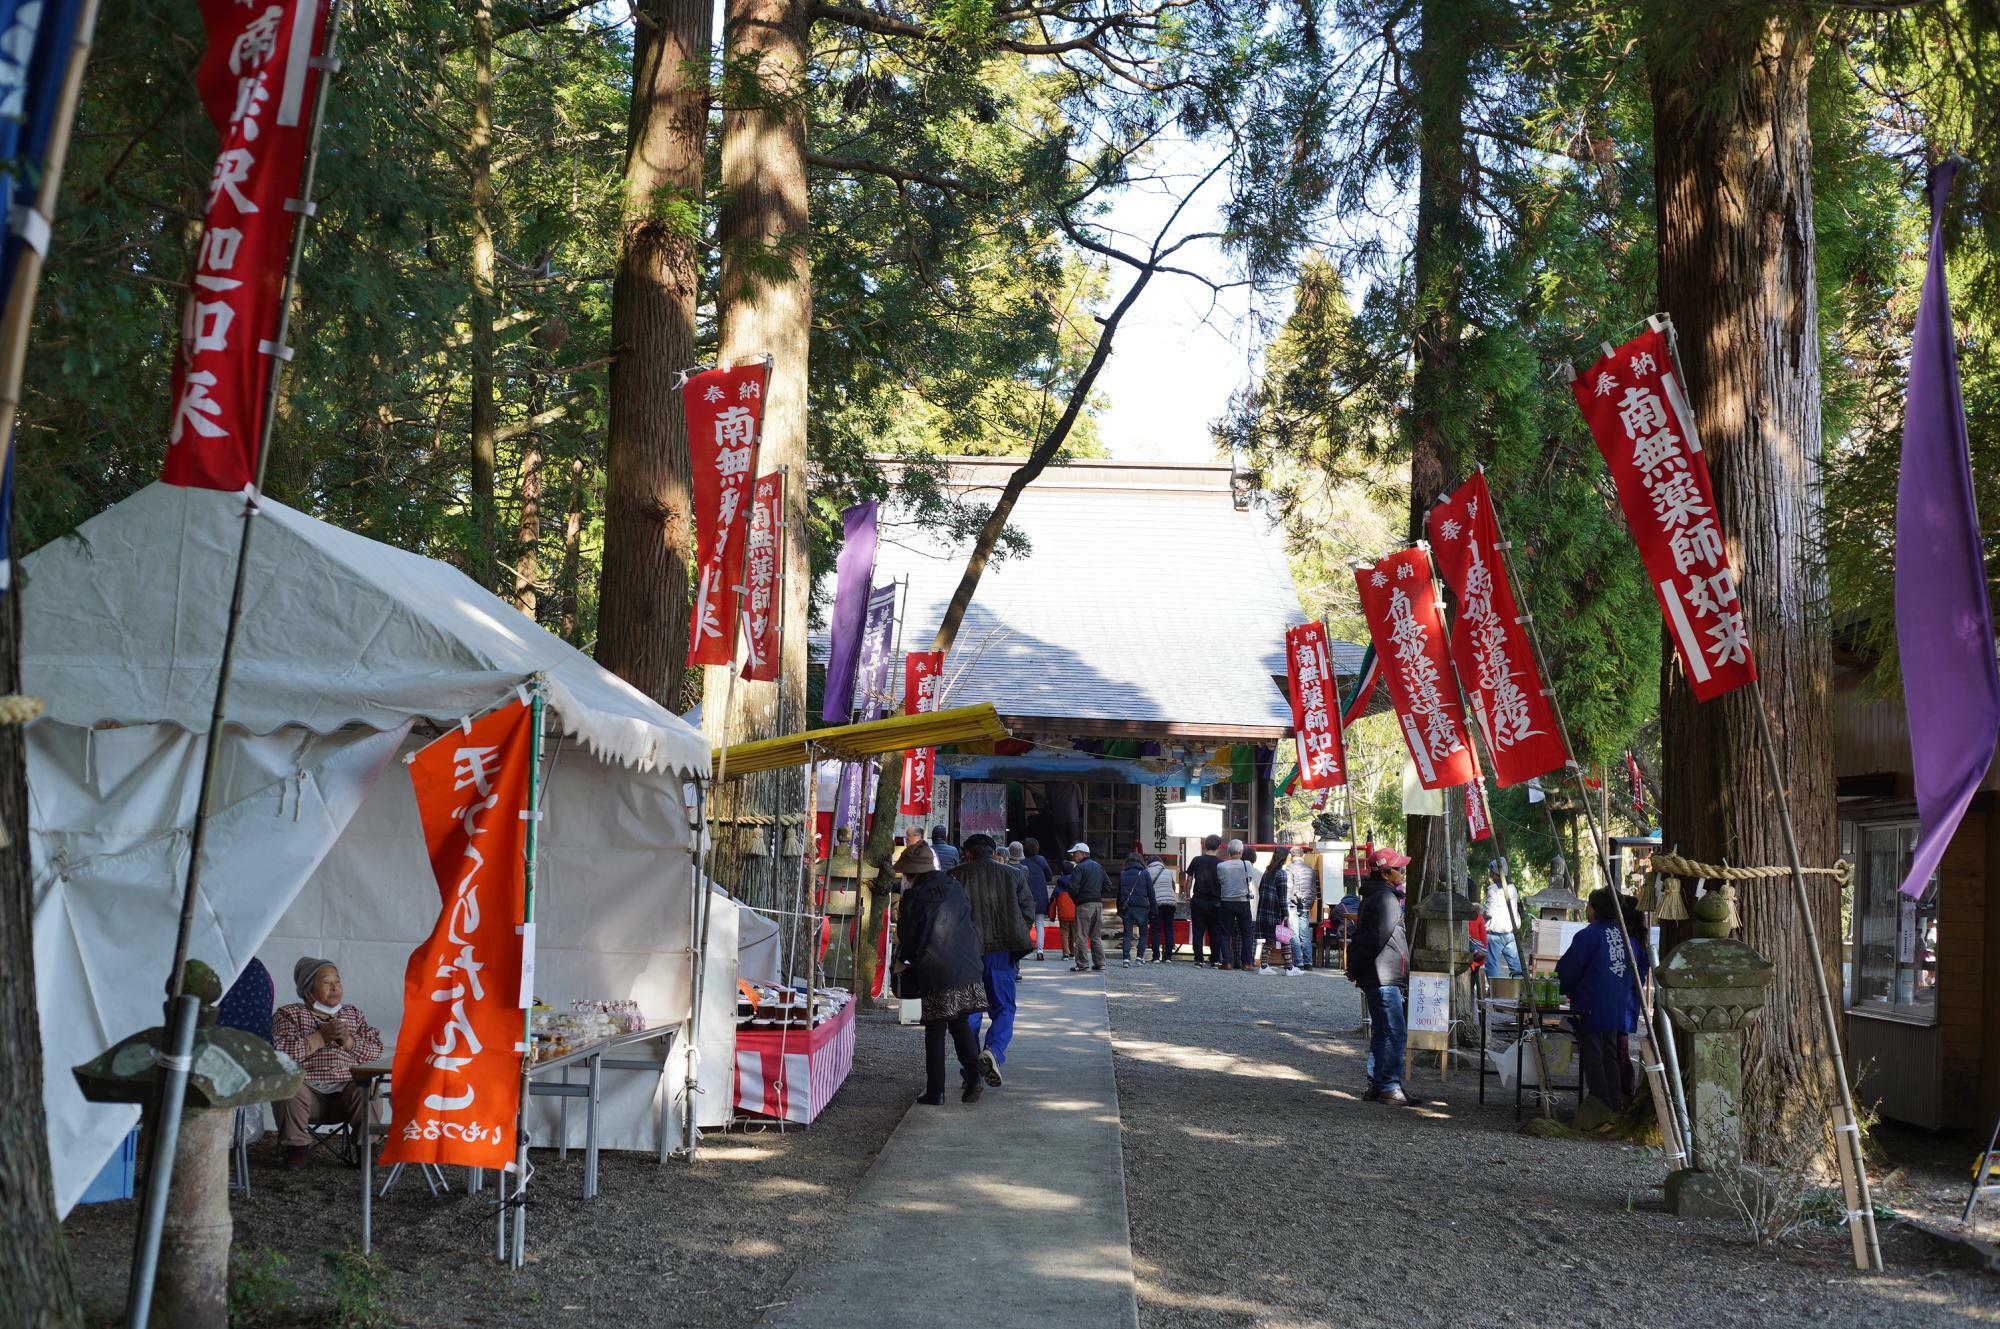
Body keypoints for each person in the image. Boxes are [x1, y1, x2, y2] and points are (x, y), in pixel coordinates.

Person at [894, 841, 989, 1104]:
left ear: (912, 873)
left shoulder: (914, 897)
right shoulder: (954, 886)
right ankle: (974, 1077)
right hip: (967, 965)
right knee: (959, 1023)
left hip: (936, 968)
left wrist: (905, 958)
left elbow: (908, 937)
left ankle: (936, 1090)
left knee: (934, 1029)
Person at [271, 958, 385, 1167]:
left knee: (367, 1089)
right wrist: (320, 1038)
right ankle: (296, 1149)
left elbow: (376, 1050)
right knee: (287, 1085)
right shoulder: (289, 1014)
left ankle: (367, 1148)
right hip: (307, 1093)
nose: (335, 986)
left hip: (345, 1093)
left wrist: (349, 1042)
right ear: (307, 990)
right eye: (326, 982)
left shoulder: (353, 1014)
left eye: (338, 981)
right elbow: (281, 1054)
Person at [1556, 887, 1651, 1112]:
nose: (1587, 910)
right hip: (1619, 1005)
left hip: (1591, 1003)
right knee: (1610, 1052)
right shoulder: (1629, 940)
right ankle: (1614, 1098)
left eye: (1589, 905)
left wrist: (1563, 985)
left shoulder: (1589, 935)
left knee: (1593, 1053)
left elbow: (1568, 970)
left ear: (1595, 910)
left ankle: (1598, 1102)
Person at [952, 834, 1036, 1087]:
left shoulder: (954, 876)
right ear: (993, 852)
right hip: (1001, 952)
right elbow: (1028, 910)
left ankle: (971, 1071)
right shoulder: (1014, 874)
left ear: (967, 852)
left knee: (969, 1013)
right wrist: (1016, 934)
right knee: (1004, 1008)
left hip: (966, 954)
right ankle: (994, 1051)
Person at [1347, 848, 1417, 1106]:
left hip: (1378, 975)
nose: (1403, 873)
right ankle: (1388, 1084)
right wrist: (1356, 967)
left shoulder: (1374, 896)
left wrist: (1355, 968)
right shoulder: (1386, 900)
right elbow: (1375, 940)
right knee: (1394, 1031)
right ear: (1387, 873)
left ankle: (1378, 1084)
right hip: (1383, 975)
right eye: (1401, 869)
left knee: (1382, 1031)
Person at [1213, 840, 1259, 972]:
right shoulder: (1247, 864)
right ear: (1241, 852)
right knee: (1247, 933)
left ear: (1228, 851)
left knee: (1225, 933)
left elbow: (1221, 881)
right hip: (1243, 901)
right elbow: (1249, 879)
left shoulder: (1221, 866)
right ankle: (1247, 963)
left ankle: (1227, 962)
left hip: (1226, 901)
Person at [1064, 842, 1109, 972]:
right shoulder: (1099, 867)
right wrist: (1096, 894)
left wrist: (1077, 899)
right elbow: (1108, 884)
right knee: (1096, 935)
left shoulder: (1079, 868)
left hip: (1084, 905)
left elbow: (1072, 888)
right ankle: (1100, 963)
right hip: (1098, 905)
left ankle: (1082, 963)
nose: (1073, 856)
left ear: (1083, 853)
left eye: (1075, 853)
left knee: (1082, 935)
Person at [1482, 858, 1526, 979]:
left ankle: (1494, 990)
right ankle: (1519, 988)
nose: (1490, 874)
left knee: (1491, 964)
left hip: (1495, 933)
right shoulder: (1512, 888)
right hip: (1510, 932)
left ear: (1495, 872)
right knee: (1515, 964)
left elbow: (1488, 911)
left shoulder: (1493, 890)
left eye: (1491, 872)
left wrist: (1480, 911)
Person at [1184, 835, 1223, 966]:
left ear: (1204, 845)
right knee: (1215, 931)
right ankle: (1215, 960)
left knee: (1198, 931)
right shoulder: (1221, 863)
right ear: (1219, 847)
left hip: (1199, 900)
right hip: (1216, 902)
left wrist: (1187, 894)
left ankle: (1198, 960)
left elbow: (1189, 879)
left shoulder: (1197, 860)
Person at [1283, 845, 1317, 974]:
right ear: (1303, 855)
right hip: (1306, 905)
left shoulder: (1289, 868)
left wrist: (1289, 901)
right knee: (1305, 934)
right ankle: (1308, 961)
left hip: (1293, 904)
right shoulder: (1310, 869)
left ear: (1291, 856)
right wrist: (1308, 902)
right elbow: (1313, 889)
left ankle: (1299, 961)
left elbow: (1289, 888)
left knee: (1294, 934)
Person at [1117, 852, 1154, 967]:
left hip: (1128, 907)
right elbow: (1151, 893)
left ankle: (1126, 959)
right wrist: (1154, 909)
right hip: (1142, 907)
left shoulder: (1123, 874)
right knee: (1143, 933)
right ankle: (1139, 957)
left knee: (1127, 933)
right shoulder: (1144, 873)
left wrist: (1119, 909)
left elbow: (1119, 893)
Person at [1255, 850, 1289, 974]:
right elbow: (1283, 896)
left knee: (1269, 939)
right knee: (1285, 938)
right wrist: (1286, 913)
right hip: (1276, 911)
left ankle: (1264, 966)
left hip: (1264, 909)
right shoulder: (1282, 874)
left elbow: (1261, 890)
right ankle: (1289, 968)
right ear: (1284, 859)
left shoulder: (1267, 872)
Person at [1021, 837, 1054, 961]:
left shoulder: (1022, 861)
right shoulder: (1041, 860)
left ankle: (1026, 951)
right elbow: (1049, 876)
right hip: (1040, 895)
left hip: (1026, 896)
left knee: (1026, 924)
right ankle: (1040, 951)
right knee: (1040, 924)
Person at [1146, 855, 1179, 962]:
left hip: (1156, 903)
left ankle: (1156, 957)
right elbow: (1173, 888)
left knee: (1155, 930)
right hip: (1170, 904)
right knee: (1169, 929)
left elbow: (1146, 888)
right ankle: (1168, 957)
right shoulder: (1168, 872)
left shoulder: (1147, 872)